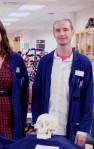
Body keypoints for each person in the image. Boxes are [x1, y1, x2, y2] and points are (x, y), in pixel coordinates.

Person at [32, 18, 93, 147]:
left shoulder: (84, 63)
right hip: (46, 130)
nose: (62, 34)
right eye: (58, 30)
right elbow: (37, 95)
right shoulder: (45, 62)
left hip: (72, 131)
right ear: (53, 34)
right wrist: (37, 123)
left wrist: (83, 130)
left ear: (72, 32)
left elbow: (88, 100)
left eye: (65, 29)